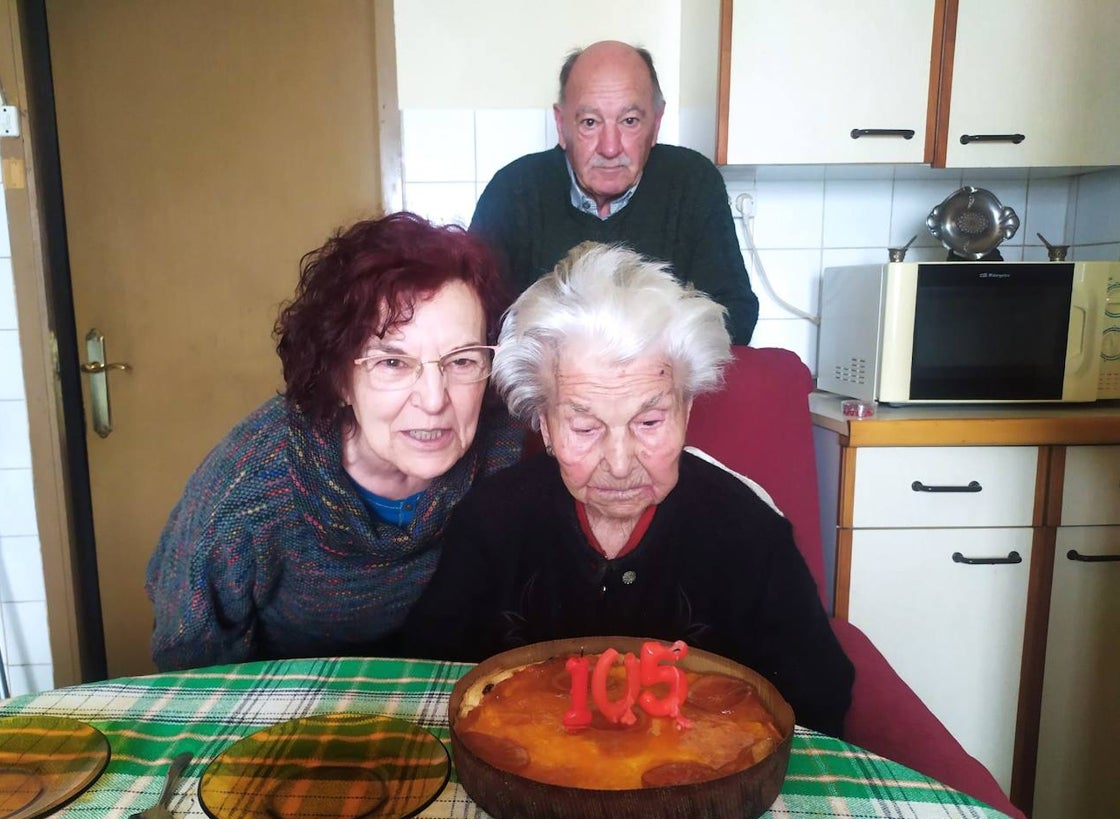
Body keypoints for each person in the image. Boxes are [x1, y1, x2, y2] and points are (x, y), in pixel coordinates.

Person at [401, 242, 852, 736]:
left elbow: (820, 697)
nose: (619, 465)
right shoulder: (491, 522)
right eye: (585, 427)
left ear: (687, 412)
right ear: (546, 426)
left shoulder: (749, 534)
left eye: (650, 420)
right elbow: (432, 680)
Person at [145, 212, 525, 671]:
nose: (433, 400)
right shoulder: (249, 486)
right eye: (392, 363)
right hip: (287, 712)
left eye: (462, 361)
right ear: (339, 377)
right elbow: (190, 665)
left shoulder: (508, 452)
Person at [469, 40, 759, 345]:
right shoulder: (512, 191)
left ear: (656, 123)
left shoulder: (693, 182)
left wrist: (645, 363)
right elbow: (476, 320)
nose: (610, 147)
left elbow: (736, 313)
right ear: (561, 124)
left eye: (630, 121)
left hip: (658, 383)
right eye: (590, 122)